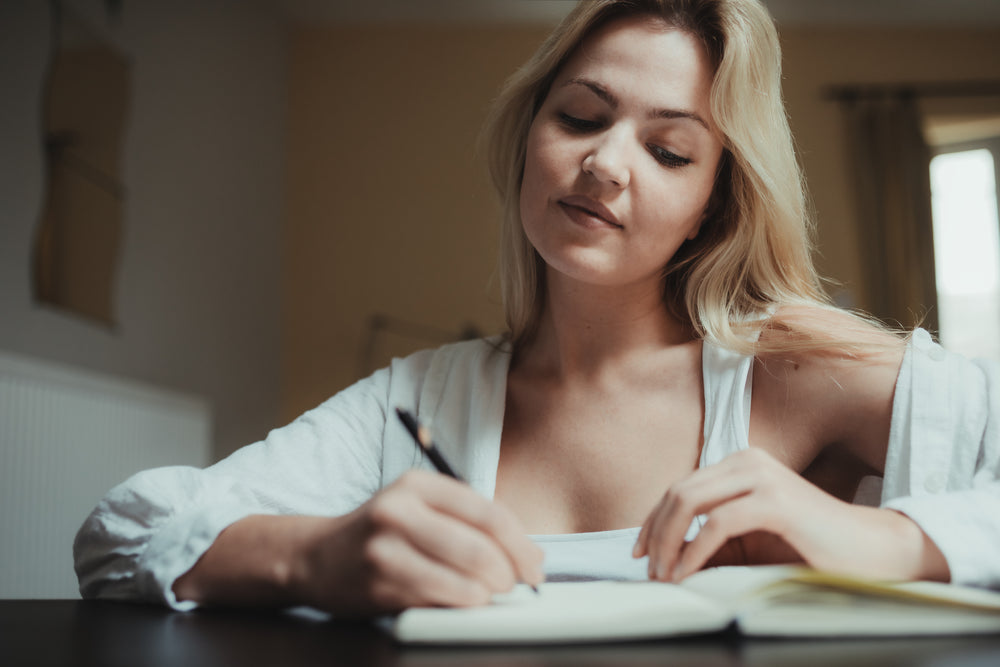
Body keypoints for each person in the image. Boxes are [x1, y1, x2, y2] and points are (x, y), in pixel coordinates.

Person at [74, 0, 1000, 616]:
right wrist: (315, 559)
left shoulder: (794, 375)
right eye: (582, 116)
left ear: (709, 207)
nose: (605, 164)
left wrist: (887, 536)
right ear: (531, 139)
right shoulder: (419, 401)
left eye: (669, 151)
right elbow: (120, 535)